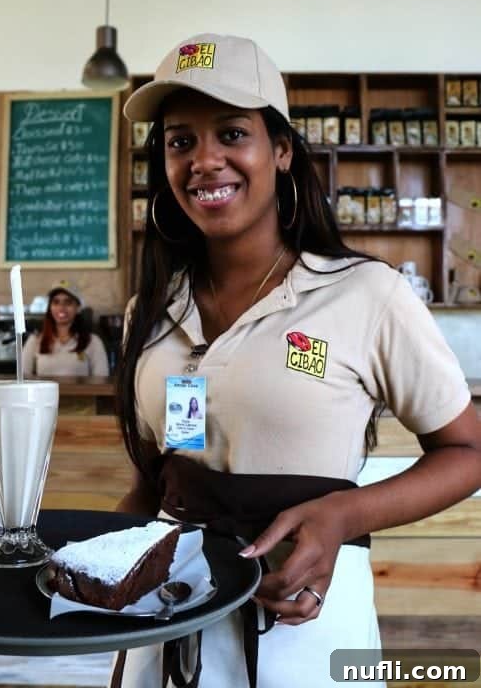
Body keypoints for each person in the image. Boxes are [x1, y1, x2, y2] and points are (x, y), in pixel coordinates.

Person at [112, 33, 481, 688]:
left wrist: (345, 515)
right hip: (167, 615)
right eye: (180, 141)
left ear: (280, 150)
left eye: (231, 133)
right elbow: (164, 469)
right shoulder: (154, 308)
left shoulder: (366, 294)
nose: (204, 161)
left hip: (303, 618)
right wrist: (97, 562)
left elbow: (466, 451)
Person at [22, 280, 109, 377]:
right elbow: (23, 378)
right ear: (50, 307)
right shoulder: (35, 341)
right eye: (56, 302)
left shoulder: (93, 342)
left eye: (68, 302)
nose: (61, 307)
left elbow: (102, 380)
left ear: (78, 307)